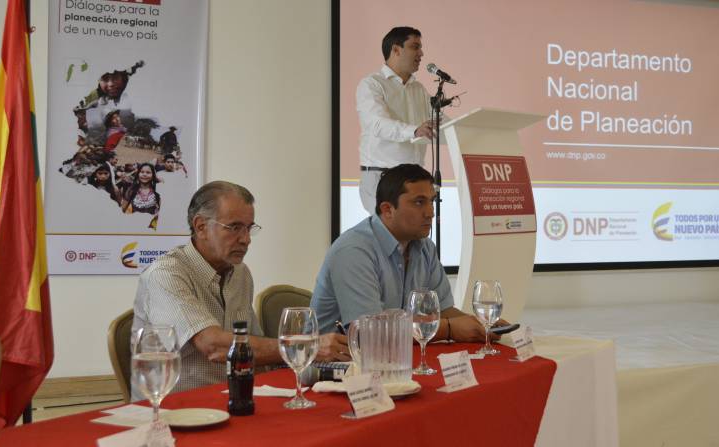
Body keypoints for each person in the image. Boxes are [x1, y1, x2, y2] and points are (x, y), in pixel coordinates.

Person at [132, 181, 349, 396]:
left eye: (249, 228)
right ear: (201, 227)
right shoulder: (165, 275)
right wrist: (306, 348)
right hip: (175, 407)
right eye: (234, 227)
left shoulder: (240, 273)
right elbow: (213, 347)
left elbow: (255, 349)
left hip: (232, 399)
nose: (246, 240)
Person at [311, 164, 495, 342]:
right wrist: (449, 329)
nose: (430, 212)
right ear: (387, 209)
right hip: (335, 360)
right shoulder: (354, 250)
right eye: (419, 202)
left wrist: (482, 325)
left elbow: (445, 312)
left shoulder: (425, 247)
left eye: (431, 201)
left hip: (396, 356)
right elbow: (370, 332)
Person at [356, 26, 435, 214]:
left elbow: (436, 122)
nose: (421, 53)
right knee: (388, 232)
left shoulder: (419, 89)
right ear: (396, 50)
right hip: (383, 177)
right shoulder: (372, 84)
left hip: (414, 179)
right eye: (415, 47)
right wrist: (414, 131)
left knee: (416, 231)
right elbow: (377, 124)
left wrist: (466, 130)